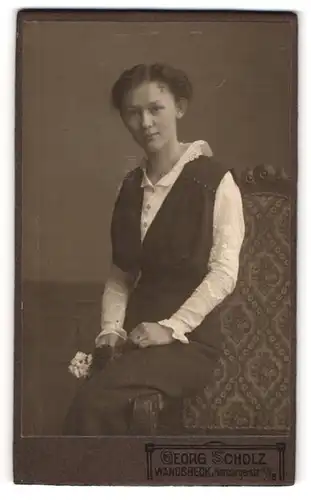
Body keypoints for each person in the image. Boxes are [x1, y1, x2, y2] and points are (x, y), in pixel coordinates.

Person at [63, 63, 245, 435]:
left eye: (155, 108)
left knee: (94, 402)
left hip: (188, 342)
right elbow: (121, 273)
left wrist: (171, 328)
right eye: (133, 112)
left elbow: (224, 272)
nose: (145, 122)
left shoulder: (215, 181)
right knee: (95, 399)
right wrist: (111, 329)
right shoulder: (130, 187)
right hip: (136, 339)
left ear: (178, 107)